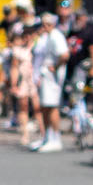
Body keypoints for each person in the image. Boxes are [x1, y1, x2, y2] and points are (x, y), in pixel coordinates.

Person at [29, 10, 70, 152]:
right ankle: (47, 137)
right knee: (45, 106)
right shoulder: (49, 36)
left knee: (52, 107)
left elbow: (64, 55)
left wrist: (55, 67)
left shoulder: (56, 36)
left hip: (52, 77)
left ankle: (55, 138)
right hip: (46, 75)